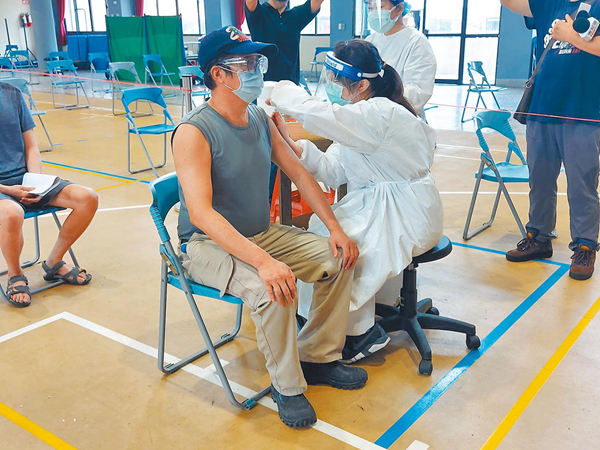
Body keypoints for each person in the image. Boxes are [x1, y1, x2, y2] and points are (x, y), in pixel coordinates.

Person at [172, 26, 366, 429]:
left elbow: (299, 172)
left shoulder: (259, 117)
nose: (257, 70)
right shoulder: (194, 131)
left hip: (258, 232)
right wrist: (264, 262)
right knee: (272, 288)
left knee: (339, 257)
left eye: (257, 61)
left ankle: (318, 357)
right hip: (206, 244)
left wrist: (334, 228)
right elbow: (202, 214)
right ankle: (287, 388)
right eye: (245, 63)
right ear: (218, 74)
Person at [268, 39, 443, 363]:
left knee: (343, 248)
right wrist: (291, 144)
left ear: (362, 85)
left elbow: (321, 114)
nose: (333, 87)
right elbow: (334, 170)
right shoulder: (363, 115)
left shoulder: (380, 113)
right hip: (383, 204)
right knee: (325, 235)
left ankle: (357, 334)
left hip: (407, 212)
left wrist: (279, 90)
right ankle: (325, 322)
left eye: (338, 81)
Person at [500, 0, 600, 280]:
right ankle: (539, 237)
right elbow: (509, 2)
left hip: (583, 111)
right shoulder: (549, 4)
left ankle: (585, 246)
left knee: (582, 184)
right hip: (542, 108)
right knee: (540, 179)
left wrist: (570, 36)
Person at [0, 81, 98, 307]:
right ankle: (15, 274)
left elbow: (31, 147)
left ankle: (54, 261)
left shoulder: (12, 94)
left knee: (87, 198)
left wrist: (34, 182)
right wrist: (7, 190)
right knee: (12, 213)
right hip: (2, 189)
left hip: (24, 179)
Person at [365, 0, 437, 115]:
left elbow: (418, 92)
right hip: (371, 112)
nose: (374, 13)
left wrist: (381, 106)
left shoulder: (416, 42)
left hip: (400, 116)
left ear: (399, 8)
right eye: (370, 8)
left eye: (380, 7)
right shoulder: (370, 40)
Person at [244, 0, 325, 84]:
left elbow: (316, 2)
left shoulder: (295, 15)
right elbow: (250, 2)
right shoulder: (259, 13)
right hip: (265, 84)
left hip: (290, 84)